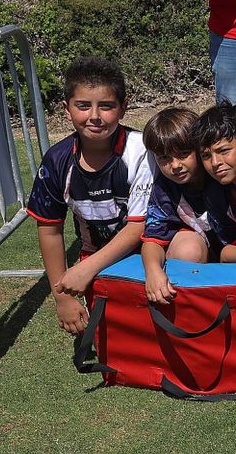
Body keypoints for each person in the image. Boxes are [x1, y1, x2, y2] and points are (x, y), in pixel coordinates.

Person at [27, 58, 153, 336]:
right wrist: (62, 295)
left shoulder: (141, 150)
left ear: (124, 107)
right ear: (66, 109)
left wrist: (85, 271)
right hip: (94, 254)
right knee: (110, 333)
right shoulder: (57, 160)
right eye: (83, 106)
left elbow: (138, 227)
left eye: (106, 106)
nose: (94, 116)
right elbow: (49, 230)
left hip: (150, 252)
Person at [139, 107, 213, 306]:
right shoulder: (165, 188)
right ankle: (187, 311)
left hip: (233, 249)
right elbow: (153, 239)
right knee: (189, 249)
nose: (175, 165)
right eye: (164, 158)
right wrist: (153, 271)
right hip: (199, 248)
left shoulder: (219, 174)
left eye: (183, 154)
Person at [192, 102, 236, 268]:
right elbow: (233, 244)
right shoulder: (215, 194)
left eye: (223, 151)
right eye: (206, 156)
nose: (215, 163)